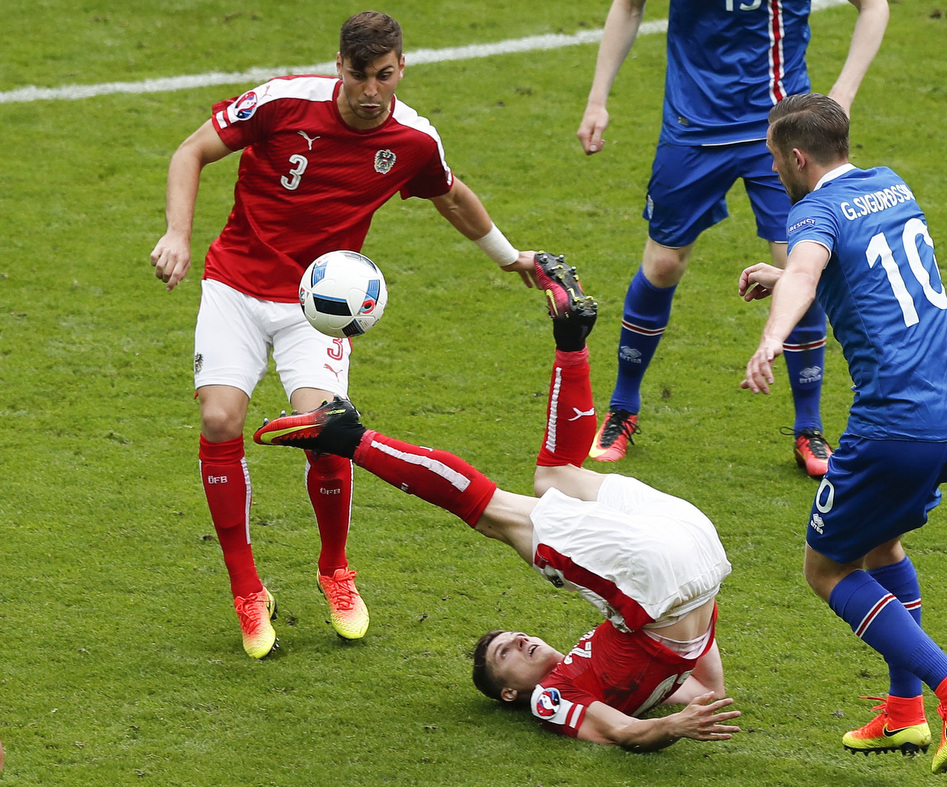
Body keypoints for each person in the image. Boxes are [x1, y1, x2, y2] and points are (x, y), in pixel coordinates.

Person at [149, 11, 540, 659]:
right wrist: (177, 234)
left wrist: (509, 256)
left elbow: (450, 195)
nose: (369, 91)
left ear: (400, 70)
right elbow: (191, 151)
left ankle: (335, 568)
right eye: (358, 75)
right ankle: (247, 587)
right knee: (221, 419)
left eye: (383, 76)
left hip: (317, 306)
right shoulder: (281, 103)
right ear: (339, 66)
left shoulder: (413, 139)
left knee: (327, 431)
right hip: (235, 285)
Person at [253, 255, 741, 750]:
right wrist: (671, 727)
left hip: (688, 562)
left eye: (509, 640)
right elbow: (630, 732)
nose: (521, 642)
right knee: (496, 512)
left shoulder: (593, 676)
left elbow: (694, 693)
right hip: (675, 563)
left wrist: (675, 704)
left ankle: (569, 341)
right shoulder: (550, 698)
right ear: (511, 692)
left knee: (551, 480)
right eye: (507, 652)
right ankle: (349, 435)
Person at [740, 93, 947, 774]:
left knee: (826, 568)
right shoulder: (890, 183)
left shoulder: (813, 211)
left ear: (798, 157)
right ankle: (904, 713)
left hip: (895, 425)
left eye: (774, 158)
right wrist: (789, 274)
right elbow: (863, 268)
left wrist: (773, 334)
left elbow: (807, 265)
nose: (773, 169)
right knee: (882, 541)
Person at [576, 0, 889, 474]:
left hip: (782, 128)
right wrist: (598, 97)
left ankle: (809, 427)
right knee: (662, 264)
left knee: (798, 268)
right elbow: (629, 5)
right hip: (693, 127)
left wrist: (842, 94)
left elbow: (874, 6)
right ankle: (623, 407)